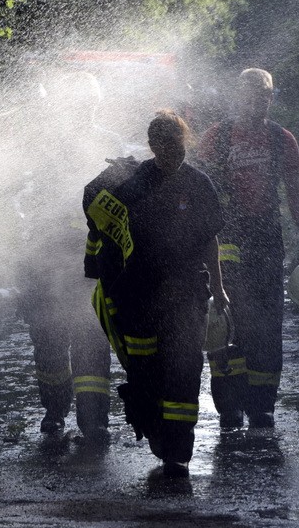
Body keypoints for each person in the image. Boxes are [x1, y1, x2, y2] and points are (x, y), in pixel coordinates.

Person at [83, 111, 228, 478]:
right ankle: (150, 425)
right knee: (145, 370)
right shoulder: (134, 182)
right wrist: (113, 175)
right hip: (138, 296)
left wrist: (220, 288)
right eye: (164, 146)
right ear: (152, 146)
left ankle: (177, 448)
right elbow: (94, 204)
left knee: (185, 368)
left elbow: (210, 238)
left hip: (185, 293)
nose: (172, 153)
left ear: (186, 142)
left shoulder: (198, 184)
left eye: (178, 145)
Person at [197, 68, 299, 429]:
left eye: (264, 94)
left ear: (271, 97)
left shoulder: (282, 140)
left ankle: (262, 406)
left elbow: (295, 193)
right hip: (226, 239)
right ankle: (229, 405)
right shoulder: (217, 138)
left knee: (266, 324)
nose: (257, 100)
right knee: (226, 319)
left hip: (266, 238)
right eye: (250, 94)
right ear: (238, 97)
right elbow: (201, 195)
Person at [14, 71, 123, 440]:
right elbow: (25, 200)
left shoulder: (108, 146)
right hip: (47, 258)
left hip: (91, 260)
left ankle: (94, 418)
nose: (82, 111)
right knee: (48, 337)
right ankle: (56, 410)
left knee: (92, 336)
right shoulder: (43, 146)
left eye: (88, 104)